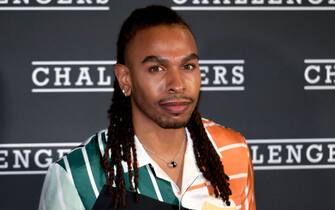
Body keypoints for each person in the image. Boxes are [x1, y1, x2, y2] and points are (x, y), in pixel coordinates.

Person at [38, 5, 256, 210]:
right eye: (156, 68)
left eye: (188, 66)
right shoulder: (78, 176)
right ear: (125, 79)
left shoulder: (232, 150)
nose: (177, 84)